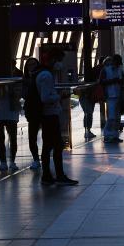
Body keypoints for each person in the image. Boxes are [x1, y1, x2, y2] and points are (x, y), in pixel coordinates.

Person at [36, 49, 78, 186]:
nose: (61, 64)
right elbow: (45, 97)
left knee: (49, 146)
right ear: (53, 60)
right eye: (60, 60)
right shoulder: (46, 76)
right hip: (49, 115)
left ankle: (48, 175)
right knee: (56, 146)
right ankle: (57, 175)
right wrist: (59, 97)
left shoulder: (43, 74)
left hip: (47, 114)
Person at [21, 57, 43, 170]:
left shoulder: (38, 77)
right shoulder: (26, 80)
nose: (31, 67)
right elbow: (24, 94)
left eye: (33, 64)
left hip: (40, 109)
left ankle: (39, 159)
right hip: (33, 110)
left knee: (39, 136)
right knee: (32, 137)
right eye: (29, 65)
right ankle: (36, 159)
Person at [0, 81, 20, 171]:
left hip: (9, 111)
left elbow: (19, 93)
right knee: (1, 138)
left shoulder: (16, 76)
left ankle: (11, 161)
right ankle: (4, 162)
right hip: (0, 111)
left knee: (12, 138)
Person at [100, 55, 124, 143]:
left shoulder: (119, 69)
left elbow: (123, 79)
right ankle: (107, 135)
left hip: (118, 95)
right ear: (113, 61)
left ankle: (115, 135)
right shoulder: (105, 70)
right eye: (117, 63)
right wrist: (113, 81)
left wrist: (122, 81)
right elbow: (101, 82)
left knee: (117, 117)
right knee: (111, 117)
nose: (118, 65)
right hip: (110, 96)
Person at [78, 59, 103, 141]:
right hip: (88, 96)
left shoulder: (93, 73)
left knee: (88, 113)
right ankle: (87, 130)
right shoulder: (98, 72)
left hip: (86, 96)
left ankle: (87, 130)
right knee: (89, 113)